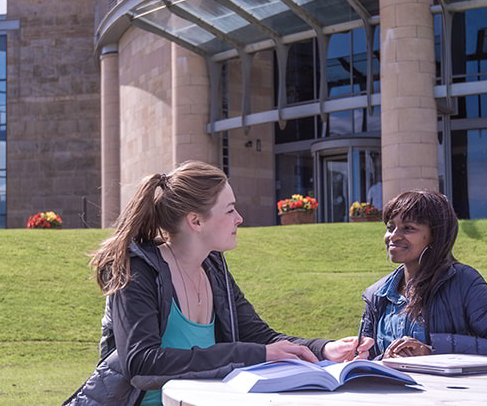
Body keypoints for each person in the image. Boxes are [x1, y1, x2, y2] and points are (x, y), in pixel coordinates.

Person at [64, 161, 372, 406]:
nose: (239, 218)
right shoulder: (138, 271)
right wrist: (256, 354)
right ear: (195, 222)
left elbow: (259, 336)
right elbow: (142, 363)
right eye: (229, 210)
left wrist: (323, 349)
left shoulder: (213, 268)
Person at [358, 189, 487, 361]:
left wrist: (432, 350)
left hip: (448, 388)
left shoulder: (463, 282)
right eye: (390, 227)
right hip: (392, 388)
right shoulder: (378, 294)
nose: (393, 236)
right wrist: (383, 358)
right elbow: (365, 360)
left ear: (435, 235)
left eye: (408, 228)